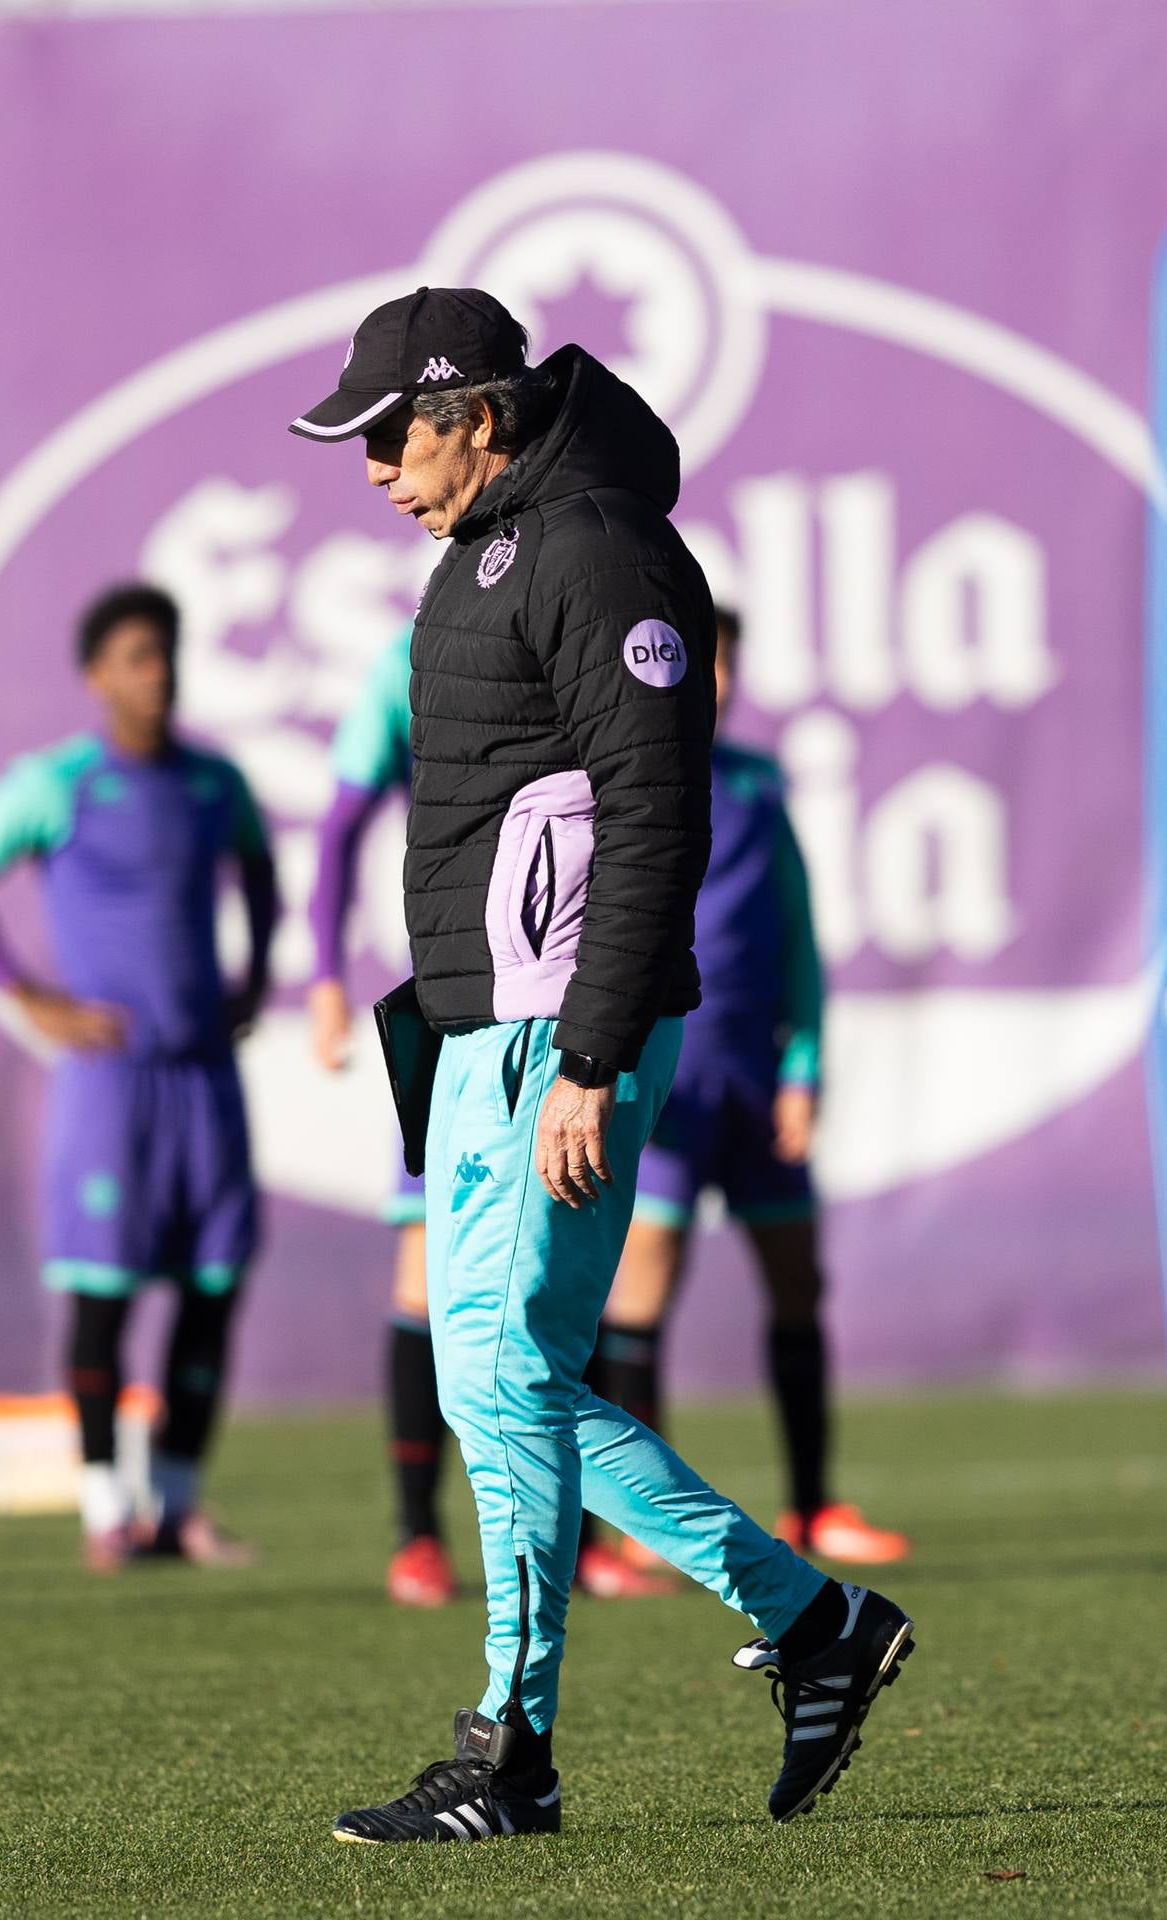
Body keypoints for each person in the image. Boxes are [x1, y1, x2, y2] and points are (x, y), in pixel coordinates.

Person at [288, 287, 914, 1841]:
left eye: (390, 434)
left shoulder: (597, 549)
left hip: (549, 1033)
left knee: (503, 1378)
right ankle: (812, 1623)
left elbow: (651, 814)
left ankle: (513, 1753)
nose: (370, 467)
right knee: (502, 1383)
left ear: (474, 416)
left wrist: (587, 1053)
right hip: (484, 1026)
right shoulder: (493, 550)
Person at [0, 584, 278, 1573]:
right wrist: (30, 997)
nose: (157, 674)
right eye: (134, 657)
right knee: (103, 1297)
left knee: (212, 1288)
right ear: (95, 677)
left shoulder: (214, 784)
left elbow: (260, 873)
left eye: (165, 653)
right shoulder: (58, 785)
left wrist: (254, 975)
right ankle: (103, 1510)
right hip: (110, 1088)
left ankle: (178, 1506)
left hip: (203, 1079)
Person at [578, 607, 907, 1599]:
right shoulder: (617, 779)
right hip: (664, 1083)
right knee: (639, 1297)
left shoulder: (758, 785)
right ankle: (641, 1528)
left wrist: (802, 1070)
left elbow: (798, 934)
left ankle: (811, 1503)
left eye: (724, 663)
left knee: (798, 1283)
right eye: (698, 662)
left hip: (753, 1086)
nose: (712, 680)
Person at [307, 625, 460, 1608]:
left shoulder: (578, 627)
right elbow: (337, 827)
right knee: (426, 1266)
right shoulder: (408, 661)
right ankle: (417, 1533)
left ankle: (580, 1545)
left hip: (571, 999)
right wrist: (323, 976)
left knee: (562, 1280)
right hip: (456, 996)